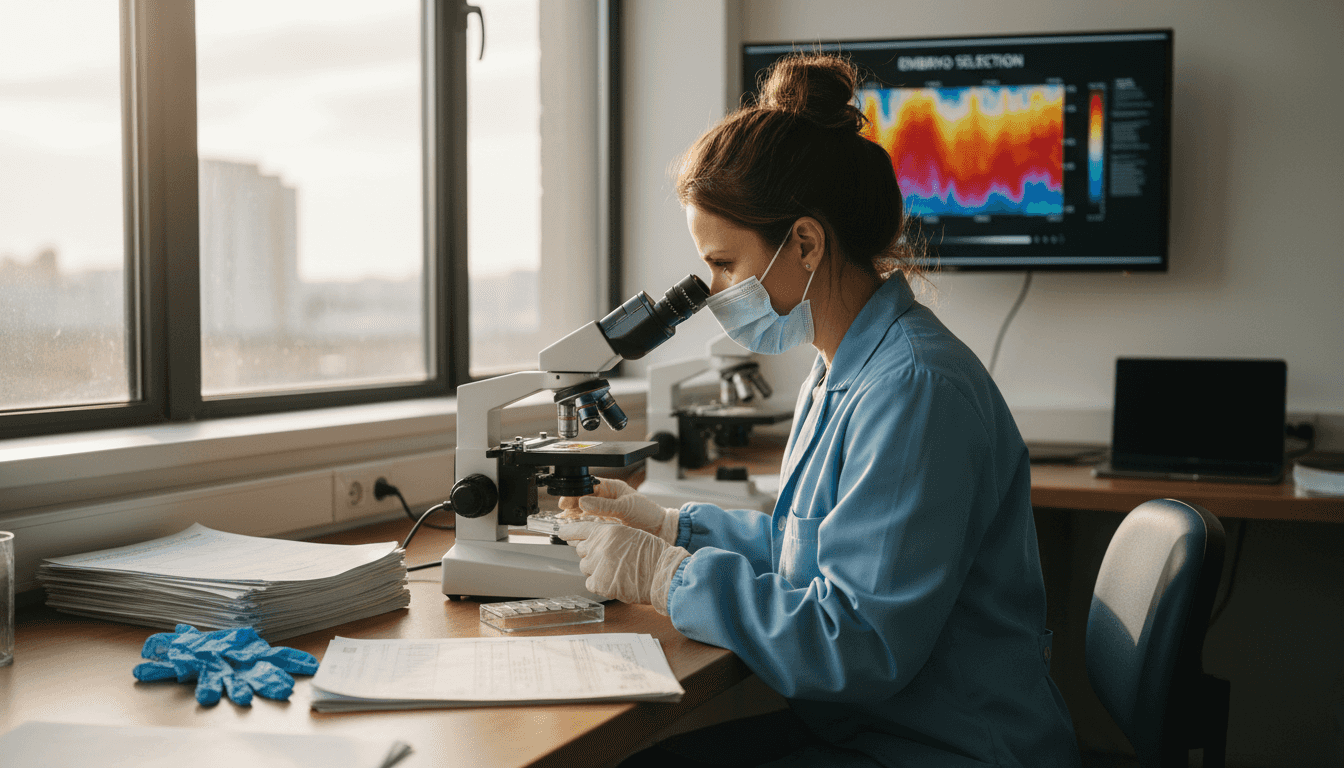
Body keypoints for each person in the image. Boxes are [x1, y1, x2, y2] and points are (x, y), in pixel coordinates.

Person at [557, 52, 1079, 767]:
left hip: (947, 749)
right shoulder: (841, 367)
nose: (712, 291)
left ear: (804, 241)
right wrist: (674, 525)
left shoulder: (914, 388)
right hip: (877, 731)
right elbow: (813, 555)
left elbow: (856, 642)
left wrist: (666, 576)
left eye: (725, 265)